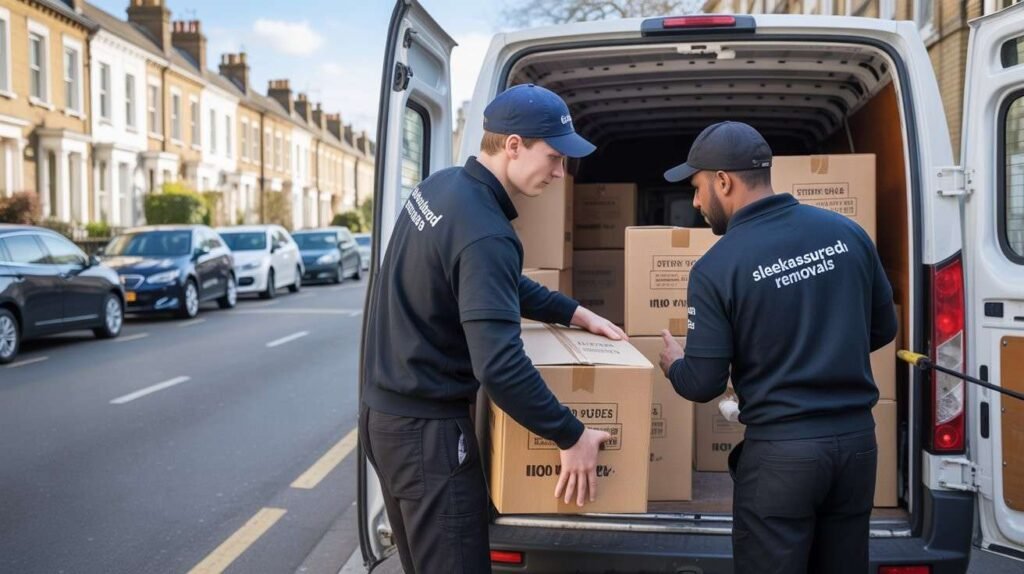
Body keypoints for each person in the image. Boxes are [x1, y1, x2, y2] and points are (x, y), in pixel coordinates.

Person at [360, 84, 625, 573]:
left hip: (385, 419)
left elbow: (487, 282)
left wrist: (573, 312)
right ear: (514, 146)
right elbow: (500, 367)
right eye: (554, 157)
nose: (560, 172)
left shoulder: (439, 188)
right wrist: (571, 435)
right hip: (429, 439)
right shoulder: (485, 231)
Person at [657, 121, 897, 574]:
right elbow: (884, 329)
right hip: (856, 448)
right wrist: (826, 349)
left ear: (723, 182)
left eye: (697, 188)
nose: (696, 202)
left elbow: (703, 383)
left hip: (781, 458)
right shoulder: (848, 234)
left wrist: (674, 364)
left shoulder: (716, 267)